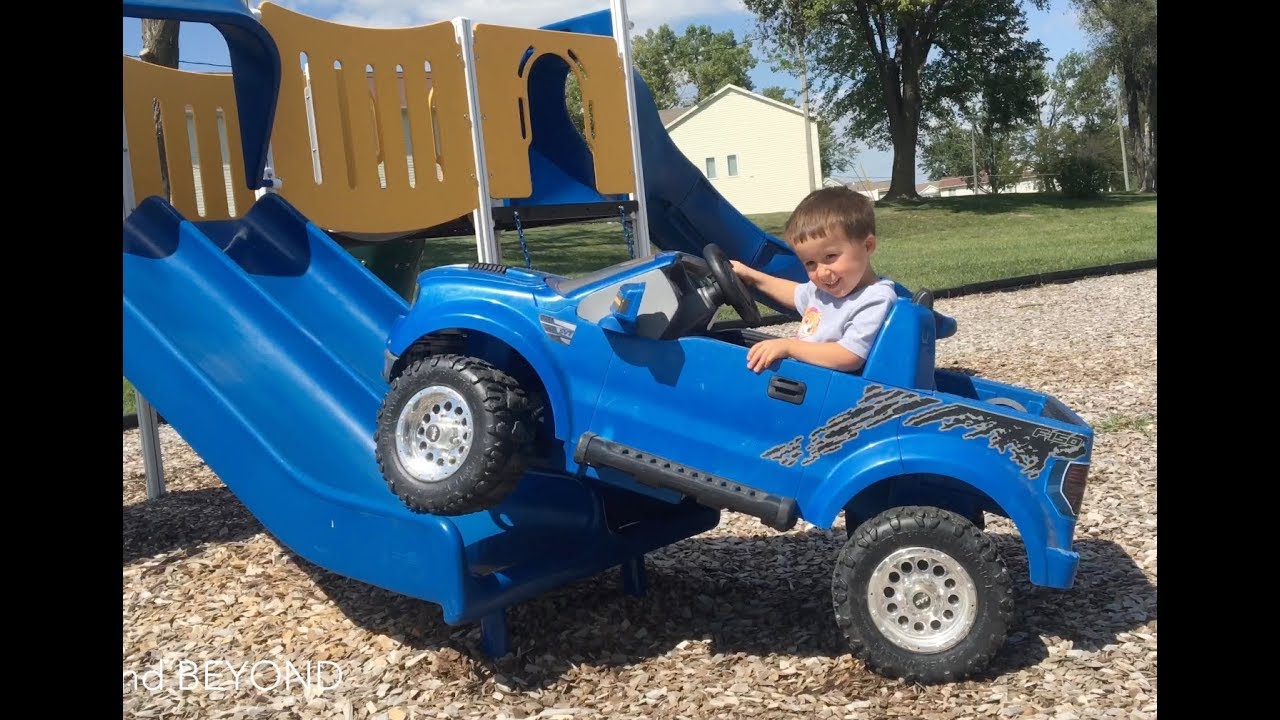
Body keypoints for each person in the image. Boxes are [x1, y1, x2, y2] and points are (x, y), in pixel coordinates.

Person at [731, 186, 898, 374]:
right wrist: (751, 276)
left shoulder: (875, 298)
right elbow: (794, 293)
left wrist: (789, 347)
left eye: (831, 256)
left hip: (838, 393)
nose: (821, 272)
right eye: (810, 263)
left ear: (867, 246)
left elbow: (849, 356)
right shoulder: (824, 291)